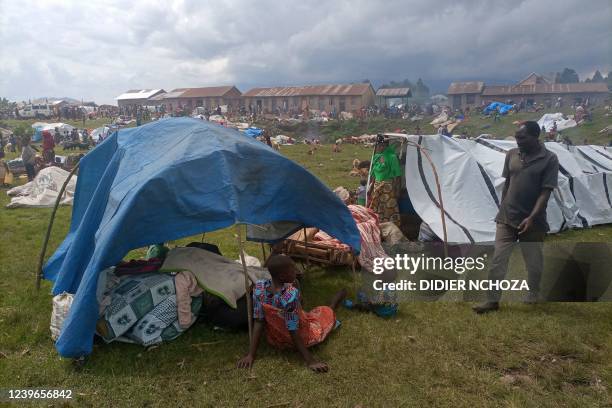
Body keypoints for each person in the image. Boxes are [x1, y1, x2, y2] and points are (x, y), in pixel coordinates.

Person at [473, 121, 559, 314]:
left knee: (533, 261)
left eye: (522, 137)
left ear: (535, 137)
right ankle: (492, 301)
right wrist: (502, 207)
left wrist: (531, 217)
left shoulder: (550, 159)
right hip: (507, 218)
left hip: (533, 221)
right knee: (498, 260)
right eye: (516, 137)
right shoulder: (512, 154)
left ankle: (533, 292)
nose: (517, 141)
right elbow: (508, 183)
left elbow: (546, 192)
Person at [237, 255, 346, 373]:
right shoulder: (290, 295)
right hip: (297, 335)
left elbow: (259, 321)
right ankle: (334, 303)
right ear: (283, 276)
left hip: (276, 338)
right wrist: (311, 361)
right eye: (294, 269)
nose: (297, 271)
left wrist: (251, 355)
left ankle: (334, 300)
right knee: (325, 314)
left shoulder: (259, 288)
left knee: (309, 313)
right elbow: (293, 330)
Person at [369, 139, 402, 226]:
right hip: (376, 186)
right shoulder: (376, 157)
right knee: (377, 207)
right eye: (379, 145)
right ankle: (379, 226)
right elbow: (373, 174)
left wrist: (398, 190)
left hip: (387, 187)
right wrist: (371, 187)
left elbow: (398, 175)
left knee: (388, 208)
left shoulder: (392, 157)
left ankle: (390, 226)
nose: (380, 147)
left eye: (383, 145)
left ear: (387, 146)